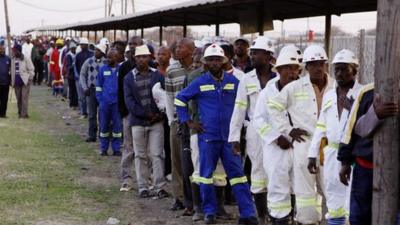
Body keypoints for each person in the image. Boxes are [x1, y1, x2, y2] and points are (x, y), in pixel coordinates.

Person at [175, 43, 258, 225]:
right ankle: (209, 212)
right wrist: (189, 122)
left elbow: (246, 103)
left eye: (217, 59)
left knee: (238, 176)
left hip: (230, 139)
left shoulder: (234, 83)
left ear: (223, 61)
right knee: (205, 175)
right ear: (205, 63)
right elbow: (180, 99)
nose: (214, 62)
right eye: (210, 59)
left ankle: (248, 214)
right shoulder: (199, 82)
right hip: (208, 137)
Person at [267, 45, 334, 224]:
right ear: (306, 66)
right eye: (313, 64)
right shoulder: (295, 87)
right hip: (305, 143)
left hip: (328, 145)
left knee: (331, 187)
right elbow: (273, 107)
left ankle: (333, 219)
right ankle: (307, 221)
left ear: (326, 64)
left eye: (321, 63)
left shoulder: (335, 86)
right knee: (305, 191)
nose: (318, 67)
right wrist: (288, 130)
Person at [307, 49, 363, 225]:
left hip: (353, 155)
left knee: (351, 198)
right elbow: (321, 125)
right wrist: (312, 154)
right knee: (333, 197)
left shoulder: (363, 94)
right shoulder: (330, 94)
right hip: (331, 154)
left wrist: (353, 106)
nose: (339, 74)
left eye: (344, 69)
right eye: (336, 69)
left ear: (354, 70)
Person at [253, 45, 302, 225]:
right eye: (287, 68)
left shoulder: (304, 91)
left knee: (301, 187)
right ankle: (278, 220)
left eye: (295, 68)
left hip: (299, 147)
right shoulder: (267, 93)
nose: (292, 73)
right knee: (277, 187)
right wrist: (276, 137)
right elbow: (258, 120)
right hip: (275, 149)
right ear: (279, 70)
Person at [229, 36, 276, 225]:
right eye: (253, 52)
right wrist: (234, 138)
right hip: (255, 132)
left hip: (276, 132)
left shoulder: (279, 78)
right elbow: (239, 108)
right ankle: (262, 215)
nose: (253, 56)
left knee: (277, 171)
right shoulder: (246, 79)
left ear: (268, 56)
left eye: (257, 53)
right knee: (257, 172)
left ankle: (278, 214)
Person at [338, 83, 398, 225]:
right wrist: (345, 161)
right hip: (366, 169)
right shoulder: (367, 92)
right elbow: (352, 129)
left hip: (396, 170)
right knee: (360, 217)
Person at [123, 45, 168, 198]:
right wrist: (146, 114)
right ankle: (143, 186)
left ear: (149, 58)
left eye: (145, 57)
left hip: (156, 122)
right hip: (138, 122)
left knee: (157, 154)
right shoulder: (129, 78)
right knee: (140, 155)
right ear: (135, 58)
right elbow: (129, 102)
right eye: (139, 57)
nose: (142, 59)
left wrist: (159, 114)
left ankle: (159, 186)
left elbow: (165, 96)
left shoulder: (158, 75)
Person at [165, 38, 196, 212]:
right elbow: (169, 98)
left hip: (196, 122)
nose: (177, 50)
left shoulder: (199, 68)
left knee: (193, 161)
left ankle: (195, 197)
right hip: (178, 121)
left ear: (191, 50)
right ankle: (178, 197)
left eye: (181, 47)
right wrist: (171, 120)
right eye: (175, 47)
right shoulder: (172, 70)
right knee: (177, 161)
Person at [118, 36, 143, 192]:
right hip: (128, 113)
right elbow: (120, 91)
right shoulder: (124, 67)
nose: (133, 47)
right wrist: (123, 111)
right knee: (128, 147)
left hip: (146, 115)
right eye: (131, 45)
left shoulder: (151, 66)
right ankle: (126, 179)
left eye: (136, 44)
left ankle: (145, 180)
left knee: (144, 150)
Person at [95, 48, 122, 156]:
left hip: (117, 104)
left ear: (117, 58)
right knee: (104, 126)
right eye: (107, 56)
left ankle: (116, 149)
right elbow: (98, 87)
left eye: (110, 57)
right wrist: (101, 100)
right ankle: (104, 148)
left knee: (117, 128)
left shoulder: (121, 70)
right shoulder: (102, 69)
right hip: (105, 104)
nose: (108, 59)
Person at [80, 44, 107, 142]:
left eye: (99, 50)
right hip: (91, 91)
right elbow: (82, 75)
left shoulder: (106, 62)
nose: (96, 52)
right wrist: (84, 87)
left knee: (102, 113)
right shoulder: (88, 61)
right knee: (91, 114)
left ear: (103, 52)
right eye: (95, 50)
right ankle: (92, 135)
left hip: (103, 92)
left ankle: (102, 134)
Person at [11, 44, 34, 118]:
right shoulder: (12, 59)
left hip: (25, 81)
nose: (13, 52)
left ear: (18, 51)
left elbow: (31, 69)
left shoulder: (26, 58)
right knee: (19, 99)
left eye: (14, 50)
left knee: (24, 98)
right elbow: (11, 71)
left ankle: (23, 115)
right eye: (13, 50)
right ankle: (20, 112)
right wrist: (12, 81)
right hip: (16, 82)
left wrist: (30, 79)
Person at [75, 37, 93, 118]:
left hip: (90, 78)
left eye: (83, 44)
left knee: (89, 97)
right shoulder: (78, 55)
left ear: (87, 45)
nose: (81, 46)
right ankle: (83, 112)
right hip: (81, 78)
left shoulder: (92, 54)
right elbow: (76, 66)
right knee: (81, 97)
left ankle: (90, 113)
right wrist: (78, 77)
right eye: (81, 45)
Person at [65, 42, 78, 109]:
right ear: (70, 49)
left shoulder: (76, 54)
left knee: (76, 90)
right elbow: (68, 66)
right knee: (72, 90)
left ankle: (75, 104)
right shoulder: (69, 55)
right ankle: (72, 104)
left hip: (75, 75)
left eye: (74, 48)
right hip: (70, 75)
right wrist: (73, 65)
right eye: (72, 49)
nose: (74, 50)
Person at [0, 43, 11, 118]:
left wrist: (11, 80)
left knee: (5, 99)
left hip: (6, 83)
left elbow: (11, 70)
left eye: (3, 49)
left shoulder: (8, 59)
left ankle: (3, 114)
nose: (2, 51)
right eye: (1, 49)